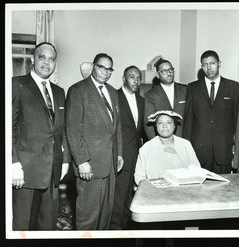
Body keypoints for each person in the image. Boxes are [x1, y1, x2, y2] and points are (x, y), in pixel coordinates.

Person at [12, 42, 70, 230]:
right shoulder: (16, 84)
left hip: (52, 171)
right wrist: (13, 165)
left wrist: (65, 161)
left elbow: (62, 130)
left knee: (48, 226)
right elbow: (8, 128)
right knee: (23, 225)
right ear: (32, 60)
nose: (47, 62)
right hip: (25, 171)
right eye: (42, 57)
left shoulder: (60, 92)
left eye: (52, 59)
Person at [65, 53, 124, 230]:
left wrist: (119, 153)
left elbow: (117, 127)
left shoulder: (113, 92)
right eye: (101, 67)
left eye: (109, 69)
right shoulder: (78, 90)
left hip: (111, 164)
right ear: (93, 67)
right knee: (88, 217)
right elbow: (73, 129)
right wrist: (82, 161)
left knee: (105, 215)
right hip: (89, 165)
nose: (105, 72)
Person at [183, 50, 239, 174]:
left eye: (212, 63)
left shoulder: (233, 87)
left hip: (224, 150)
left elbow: (237, 120)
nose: (209, 68)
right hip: (200, 151)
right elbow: (188, 121)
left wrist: (236, 148)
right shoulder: (193, 88)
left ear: (219, 63)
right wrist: (186, 150)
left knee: (223, 190)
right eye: (204, 64)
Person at [109, 66, 146, 230]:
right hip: (121, 154)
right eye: (131, 77)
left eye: (138, 77)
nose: (136, 80)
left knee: (132, 192)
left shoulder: (142, 100)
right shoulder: (114, 97)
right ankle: (115, 228)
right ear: (123, 79)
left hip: (137, 153)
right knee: (119, 193)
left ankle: (127, 226)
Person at [135, 110, 201, 185]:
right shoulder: (146, 148)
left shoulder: (186, 144)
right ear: (156, 126)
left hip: (185, 189)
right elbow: (139, 177)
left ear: (174, 126)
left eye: (168, 122)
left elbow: (197, 170)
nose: (164, 126)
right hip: (157, 192)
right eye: (160, 123)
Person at [144, 59, 187, 139]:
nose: (169, 73)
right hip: (162, 143)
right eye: (164, 71)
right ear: (158, 75)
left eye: (171, 70)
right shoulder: (150, 95)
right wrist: (158, 145)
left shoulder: (186, 90)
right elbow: (149, 125)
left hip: (183, 141)